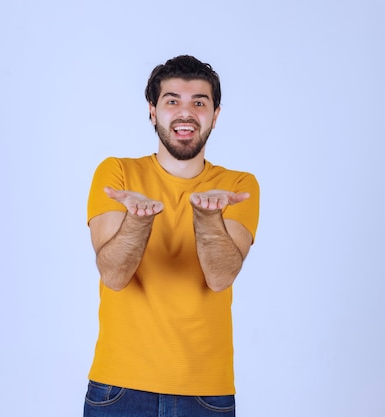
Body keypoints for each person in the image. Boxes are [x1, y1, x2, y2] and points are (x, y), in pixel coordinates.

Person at [83, 55, 260, 417]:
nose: (186, 112)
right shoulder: (116, 173)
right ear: (152, 111)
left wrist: (208, 217)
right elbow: (114, 275)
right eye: (172, 101)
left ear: (215, 115)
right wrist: (138, 219)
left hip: (207, 394)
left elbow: (220, 276)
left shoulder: (239, 186)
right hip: (119, 388)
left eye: (199, 102)